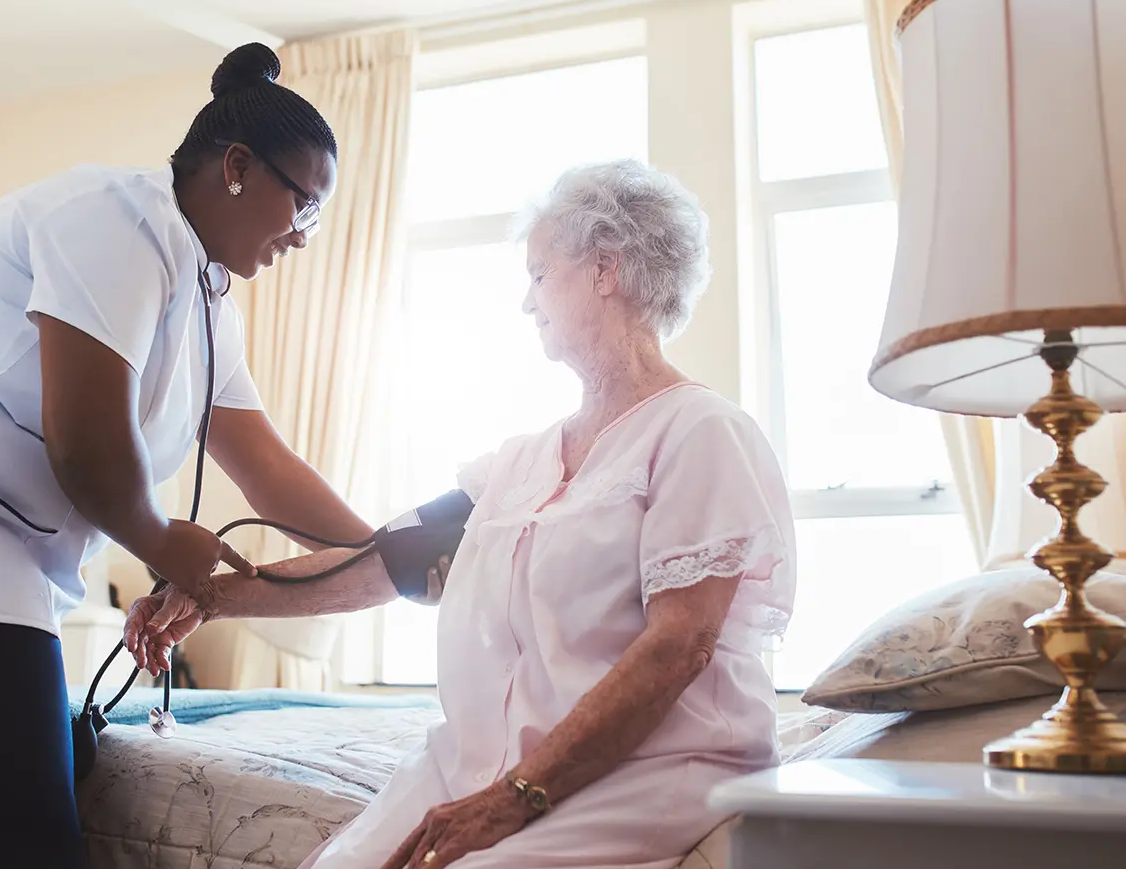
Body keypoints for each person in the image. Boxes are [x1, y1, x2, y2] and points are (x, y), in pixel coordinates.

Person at [0, 42, 373, 869]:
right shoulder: (112, 219)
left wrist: (383, 550)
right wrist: (168, 547)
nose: (305, 235)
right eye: (304, 204)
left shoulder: (210, 303)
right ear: (238, 167)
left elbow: (268, 468)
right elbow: (88, 449)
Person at [127, 159, 797, 869]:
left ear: (605, 270)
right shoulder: (520, 462)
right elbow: (382, 564)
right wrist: (208, 598)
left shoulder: (699, 430)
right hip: (490, 760)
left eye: (539, 274)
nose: (527, 302)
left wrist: (515, 796)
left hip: (650, 766)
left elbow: (678, 647)